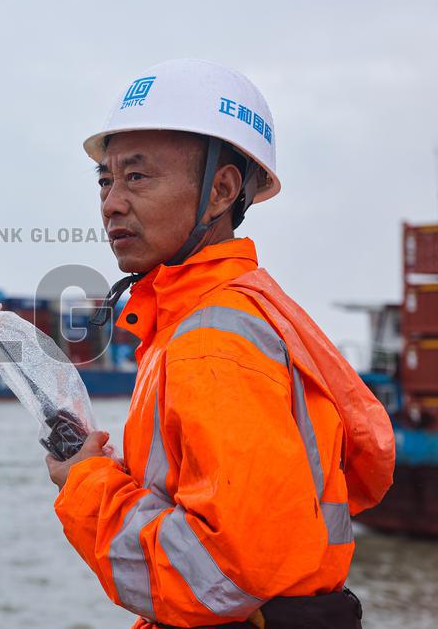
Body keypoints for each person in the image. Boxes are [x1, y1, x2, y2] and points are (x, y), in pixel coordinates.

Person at [46, 59, 394, 628]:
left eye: (136, 177)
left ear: (221, 190)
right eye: (105, 180)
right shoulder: (236, 312)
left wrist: (86, 485)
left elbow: (218, 576)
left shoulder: (211, 340)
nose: (110, 202)